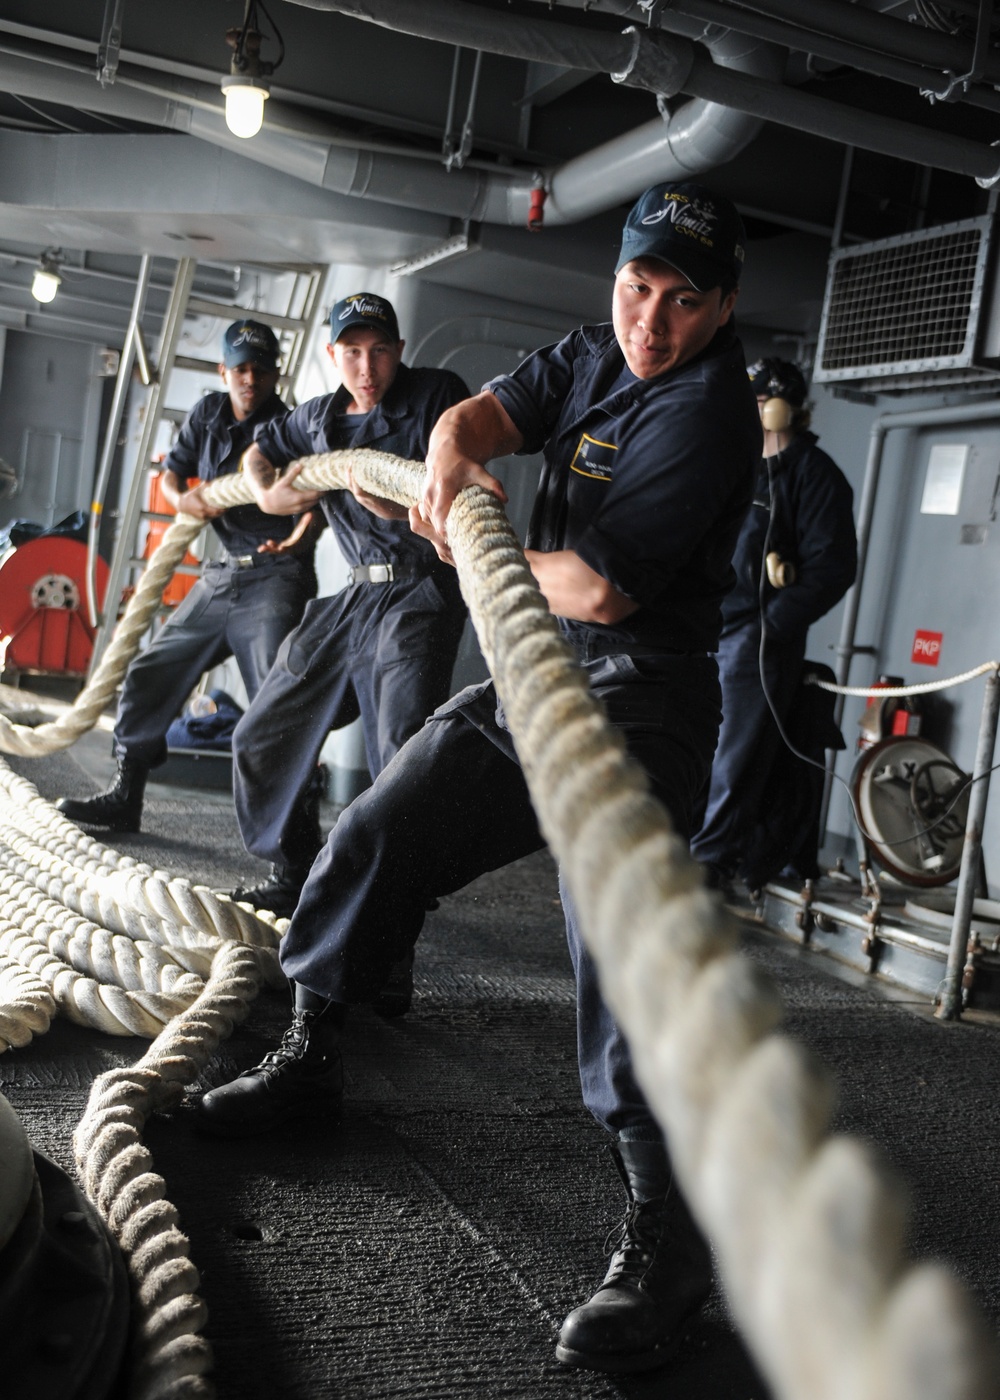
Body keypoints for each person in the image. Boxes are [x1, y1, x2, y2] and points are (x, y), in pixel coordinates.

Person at [195, 181, 761, 1375]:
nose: (649, 321)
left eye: (680, 302)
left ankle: (668, 1232)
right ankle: (315, 1049)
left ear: (721, 310)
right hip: (535, 661)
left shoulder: (705, 408)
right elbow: (481, 420)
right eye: (635, 287)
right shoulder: (598, 347)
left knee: (618, 942)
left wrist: (466, 533)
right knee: (380, 823)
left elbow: (603, 588)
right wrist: (451, 466)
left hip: (641, 696)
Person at [227, 292, 469, 918]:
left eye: (380, 351)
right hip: (357, 593)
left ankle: (392, 935)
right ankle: (297, 871)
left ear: (399, 352)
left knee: (398, 758)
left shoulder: (437, 395)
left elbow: (458, 484)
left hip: (420, 587)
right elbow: (262, 447)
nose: (367, 368)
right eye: (354, 353)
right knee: (263, 730)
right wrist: (265, 489)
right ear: (333, 354)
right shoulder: (316, 420)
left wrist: (402, 509)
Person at [57, 320, 317, 834]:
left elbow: (320, 498)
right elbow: (173, 474)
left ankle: (298, 843)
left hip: (275, 577)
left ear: (275, 375)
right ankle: (126, 796)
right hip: (221, 578)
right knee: (151, 670)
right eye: (240, 368)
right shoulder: (208, 415)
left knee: (276, 702)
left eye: (261, 370)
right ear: (224, 371)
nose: (250, 379)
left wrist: (298, 541)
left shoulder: (291, 428)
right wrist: (184, 500)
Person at [690, 357, 857, 893]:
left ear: (783, 405)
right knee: (691, 741)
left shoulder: (815, 475)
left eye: (762, 400)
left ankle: (709, 863)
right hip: (707, 626)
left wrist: (773, 627)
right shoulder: (735, 462)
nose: (754, 409)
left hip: (757, 638)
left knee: (734, 756)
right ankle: (678, 848)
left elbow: (833, 566)